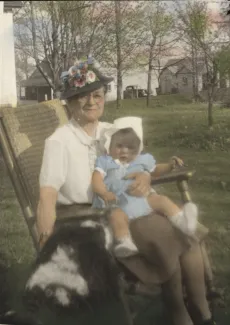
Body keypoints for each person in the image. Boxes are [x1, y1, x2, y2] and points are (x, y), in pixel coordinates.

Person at [37, 56, 215, 325]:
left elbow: (140, 161)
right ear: (70, 103)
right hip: (94, 218)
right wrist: (45, 241)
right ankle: (179, 310)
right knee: (166, 235)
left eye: (97, 95)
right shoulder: (59, 142)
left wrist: (144, 173)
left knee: (184, 232)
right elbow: (47, 197)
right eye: (82, 97)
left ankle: (203, 308)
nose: (92, 102)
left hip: (131, 206)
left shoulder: (112, 131)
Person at [92, 122, 198, 258]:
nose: (124, 151)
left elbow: (156, 170)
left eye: (130, 147)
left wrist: (170, 165)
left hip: (142, 199)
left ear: (137, 150)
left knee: (161, 200)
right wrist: (103, 192)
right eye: (119, 146)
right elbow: (96, 179)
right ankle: (124, 242)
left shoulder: (141, 160)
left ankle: (183, 222)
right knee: (116, 216)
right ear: (110, 146)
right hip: (118, 202)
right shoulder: (105, 161)